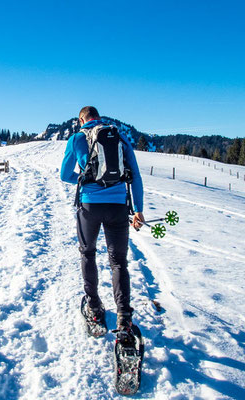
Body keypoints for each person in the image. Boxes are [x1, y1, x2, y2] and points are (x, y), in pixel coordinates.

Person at [60, 106, 145, 332]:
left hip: (89, 206)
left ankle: (95, 307)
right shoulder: (118, 136)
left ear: (81, 119)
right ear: (98, 117)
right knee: (118, 262)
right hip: (118, 206)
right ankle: (124, 317)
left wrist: (85, 179)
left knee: (88, 253)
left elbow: (64, 175)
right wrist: (138, 209)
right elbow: (134, 175)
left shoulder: (77, 138)